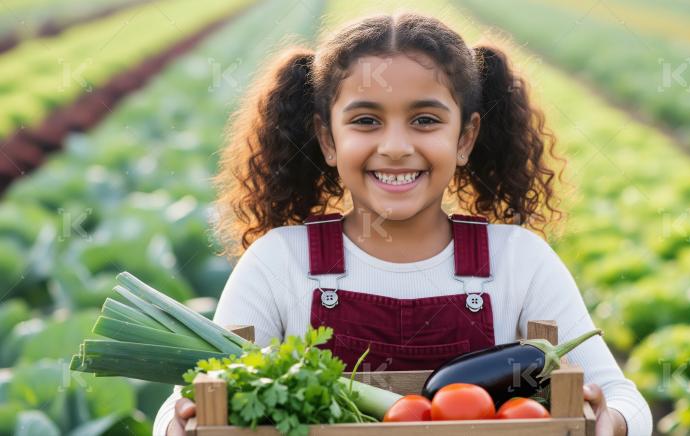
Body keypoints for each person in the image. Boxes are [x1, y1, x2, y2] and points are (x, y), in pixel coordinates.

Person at [155, 11, 652, 436]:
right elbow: (188, 400)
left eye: (425, 120)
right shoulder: (281, 262)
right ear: (327, 140)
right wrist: (179, 422)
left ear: (465, 137)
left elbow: (620, 397)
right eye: (366, 121)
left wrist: (612, 420)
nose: (395, 145)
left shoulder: (517, 259)